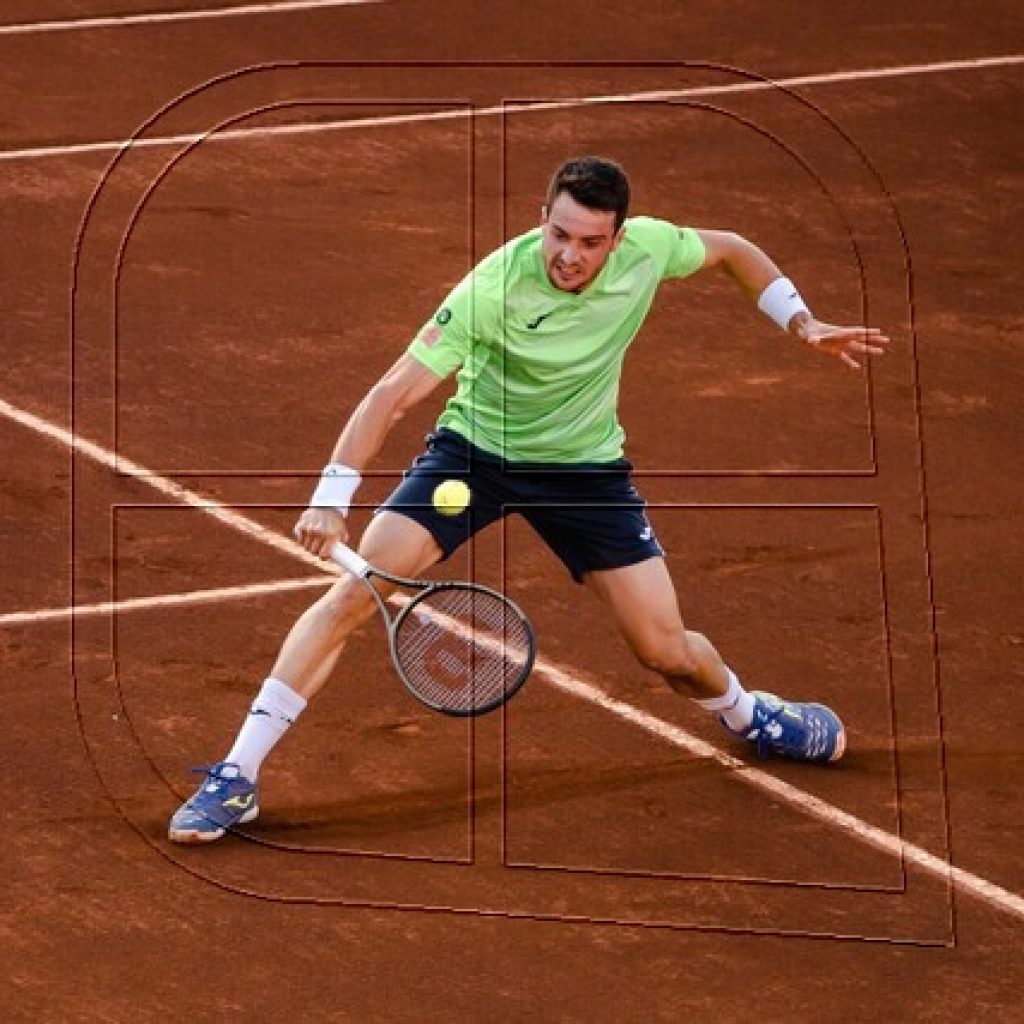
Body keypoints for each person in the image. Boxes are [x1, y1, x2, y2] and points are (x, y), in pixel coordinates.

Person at [169, 156, 889, 843]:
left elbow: (733, 249)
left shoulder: (651, 251)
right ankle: (238, 773)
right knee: (356, 593)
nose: (570, 255)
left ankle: (747, 713)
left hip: (584, 471)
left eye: (589, 242)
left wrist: (801, 321)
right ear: (541, 217)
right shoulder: (492, 290)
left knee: (665, 651)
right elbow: (392, 395)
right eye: (559, 234)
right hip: (474, 458)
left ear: (619, 237)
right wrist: (333, 497)